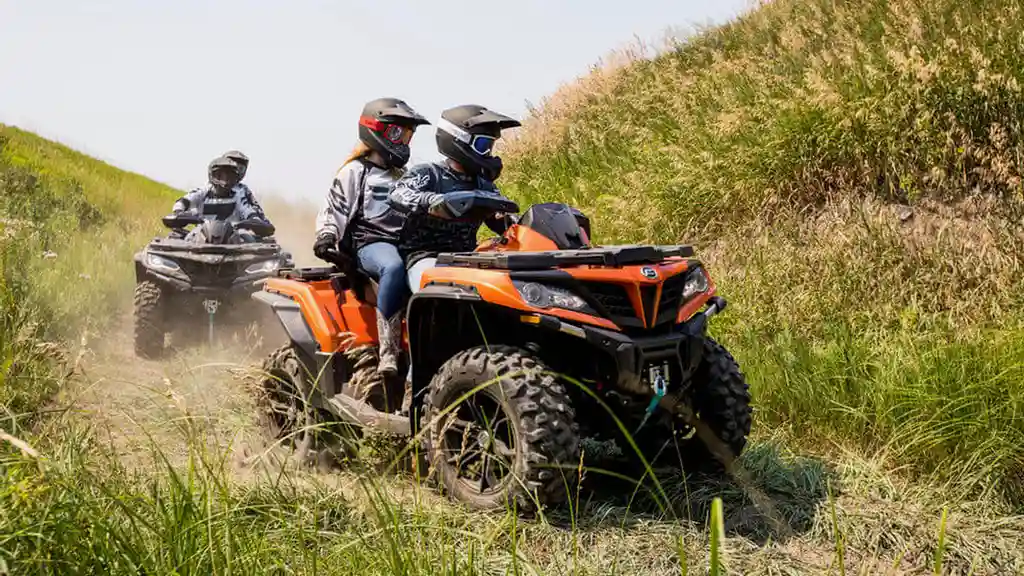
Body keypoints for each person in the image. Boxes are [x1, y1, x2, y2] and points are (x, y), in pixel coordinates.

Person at [313, 97, 429, 376]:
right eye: (397, 133)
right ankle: (388, 353)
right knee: (393, 267)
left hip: (405, 243)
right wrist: (327, 236)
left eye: (408, 135)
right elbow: (334, 208)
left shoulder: (405, 176)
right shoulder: (355, 171)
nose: (403, 142)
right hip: (370, 243)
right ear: (374, 129)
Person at [387, 104, 521, 292]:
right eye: (483, 145)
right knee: (437, 288)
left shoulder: (484, 185)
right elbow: (398, 194)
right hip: (425, 258)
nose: (488, 153)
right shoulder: (429, 173)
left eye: (490, 146)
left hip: (469, 258)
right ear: (458, 140)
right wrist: (431, 201)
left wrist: (523, 226)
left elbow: (501, 219)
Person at [171, 155, 273, 240]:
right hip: (201, 232)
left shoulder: (238, 195)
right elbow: (185, 200)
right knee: (185, 239)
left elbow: (248, 210)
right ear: (211, 176)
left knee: (250, 240)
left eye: (230, 177)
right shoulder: (203, 191)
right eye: (220, 176)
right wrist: (178, 211)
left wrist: (254, 220)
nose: (225, 181)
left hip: (234, 234)